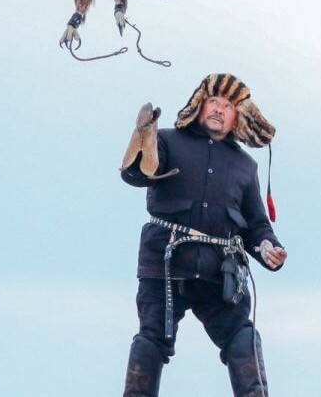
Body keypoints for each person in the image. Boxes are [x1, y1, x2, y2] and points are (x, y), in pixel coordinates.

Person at [119, 74, 287, 397]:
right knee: (152, 338)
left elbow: (256, 225)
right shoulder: (167, 141)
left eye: (228, 106)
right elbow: (137, 175)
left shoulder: (245, 166)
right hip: (165, 265)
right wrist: (142, 145)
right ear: (199, 105)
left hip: (218, 273)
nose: (219, 109)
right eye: (213, 102)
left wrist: (268, 248)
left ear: (237, 117)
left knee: (242, 337)